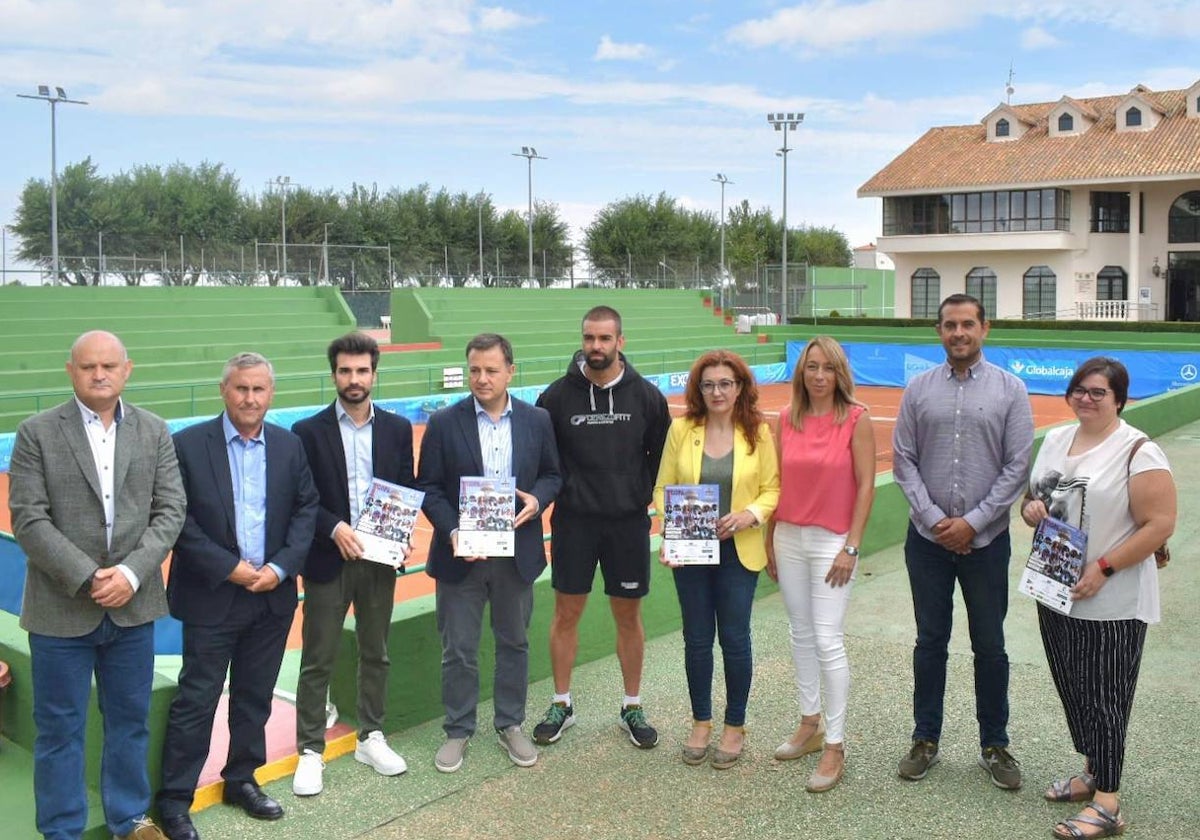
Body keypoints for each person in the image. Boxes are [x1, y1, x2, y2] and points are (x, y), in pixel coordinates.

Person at [8, 331, 187, 840]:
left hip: (133, 607)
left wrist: (130, 574)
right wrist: (89, 578)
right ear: (71, 371)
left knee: (129, 722)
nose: (99, 374)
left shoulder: (154, 431)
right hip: (60, 611)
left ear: (127, 369)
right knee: (59, 730)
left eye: (109, 365)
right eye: (88, 367)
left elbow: (170, 510)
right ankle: (61, 830)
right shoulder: (37, 432)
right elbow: (29, 519)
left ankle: (128, 820)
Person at [157, 353, 318, 840]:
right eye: (241, 389)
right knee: (198, 698)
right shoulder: (187, 445)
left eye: (259, 390)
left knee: (254, 696)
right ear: (224, 391)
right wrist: (231, 570)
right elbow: (177, 519)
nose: (250, 398)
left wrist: (279, 567)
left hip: (270, 596)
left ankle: (241, 779)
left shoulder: (289, 446)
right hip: (212, 595)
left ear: (271, 394)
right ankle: (175, 798)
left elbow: (306, 509)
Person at [1020, 357, 1175, 840]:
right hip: (1053, 586)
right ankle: (1093, 772)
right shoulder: (1058, 439)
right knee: (1074, 687)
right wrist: (1030, 509)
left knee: (1106, 698)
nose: (1086, 398)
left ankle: (1108, 804)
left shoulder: (1138, 452)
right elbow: (1037, 501)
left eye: (1098, 393)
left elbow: (1160, 524)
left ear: (1119, 400)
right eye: (1080, 390)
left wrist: (1104, 568)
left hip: (1111, 598)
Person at [892, 293, 1034, 789]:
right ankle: (925, 738)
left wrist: (972, 522)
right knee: (930, 642)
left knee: (989, 645)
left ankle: (995, 744)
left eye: (967, 324)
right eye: (950, 325)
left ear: (984, 329)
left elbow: (1018, 466)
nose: (959, 333)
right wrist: (935, 521)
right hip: (926, 543)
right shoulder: (917, 389)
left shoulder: (1011, 390)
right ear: (939, 331)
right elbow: (903, 461)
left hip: (987, 542)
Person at [417, 334, 561, 773]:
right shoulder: (444, 422)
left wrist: (537, 500)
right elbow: (428, 487)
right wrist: (453, 530)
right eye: (474, 370)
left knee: (513, 642)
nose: (481, 379)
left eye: (491, 370)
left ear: (510, 372)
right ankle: (459, 729)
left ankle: (510, 723)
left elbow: (554, 475)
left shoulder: (537, 420)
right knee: (458, 649)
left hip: (516, 556)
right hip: (461, 557)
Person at [533, 306, 671, 749]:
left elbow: (661, 460)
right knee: (566, 614)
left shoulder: (647, 397)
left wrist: (637, 496)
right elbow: (544, 462)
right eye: (590, 338)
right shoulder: (555, 398)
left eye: (605, 339)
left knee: (628, 615)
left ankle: (632, 705)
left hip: (628, 525)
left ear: (620, 342)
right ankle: (561, 703)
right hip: (573, 523)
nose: (596, 346)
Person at [291, 333, 414, 796]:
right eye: (345, 371)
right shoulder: (306, 431)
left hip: (379, 563)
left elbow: (403, 488)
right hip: (327, 560)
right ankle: (310, 749)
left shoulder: (398, 429)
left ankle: (371, 736)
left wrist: (400, 537)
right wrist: (333, 527)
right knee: (318, 657)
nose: (354, 379)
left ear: (374, 374)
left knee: (375, 651)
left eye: (362, 371)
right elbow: (301, 499)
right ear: (334, 375)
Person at [653, 350, 779, 768]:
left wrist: (749, 515)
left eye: (725, 383)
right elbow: (662, 488)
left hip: (738, 551)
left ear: (740, 386)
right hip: (692, 550)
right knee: (697, 640)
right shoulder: (682, 429)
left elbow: (772, 489)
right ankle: (701, 722)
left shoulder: (757, 432)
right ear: (698, 389)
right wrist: (672, 534)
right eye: (708, 384)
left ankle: (734, 725)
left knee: (736, 640)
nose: (717, 391)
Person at [766, 336, 875, 792]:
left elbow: (867, 485)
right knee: (801, 632)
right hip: (789, 536)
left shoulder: (857, 418)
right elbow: (774, 481)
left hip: (833, 541)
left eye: (827, 368)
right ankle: (809, 723)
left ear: (839, 373)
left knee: (828, 638)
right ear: (801, 371)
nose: (818, 375)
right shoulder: (784, 419)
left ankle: (835, 744)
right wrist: (771, 540)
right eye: (811, 366)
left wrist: (851, 546)